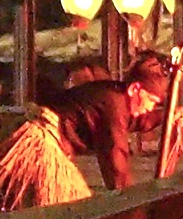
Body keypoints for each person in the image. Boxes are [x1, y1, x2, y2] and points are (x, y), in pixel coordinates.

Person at [42, 55, 171, 191]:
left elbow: (134, 121)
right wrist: (127, 200)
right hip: (47, 140)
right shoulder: (112, 103)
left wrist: (168, 115)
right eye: (151, 100)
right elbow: (115, 156)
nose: (151, 107)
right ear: (135, 89)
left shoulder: (118, 96)